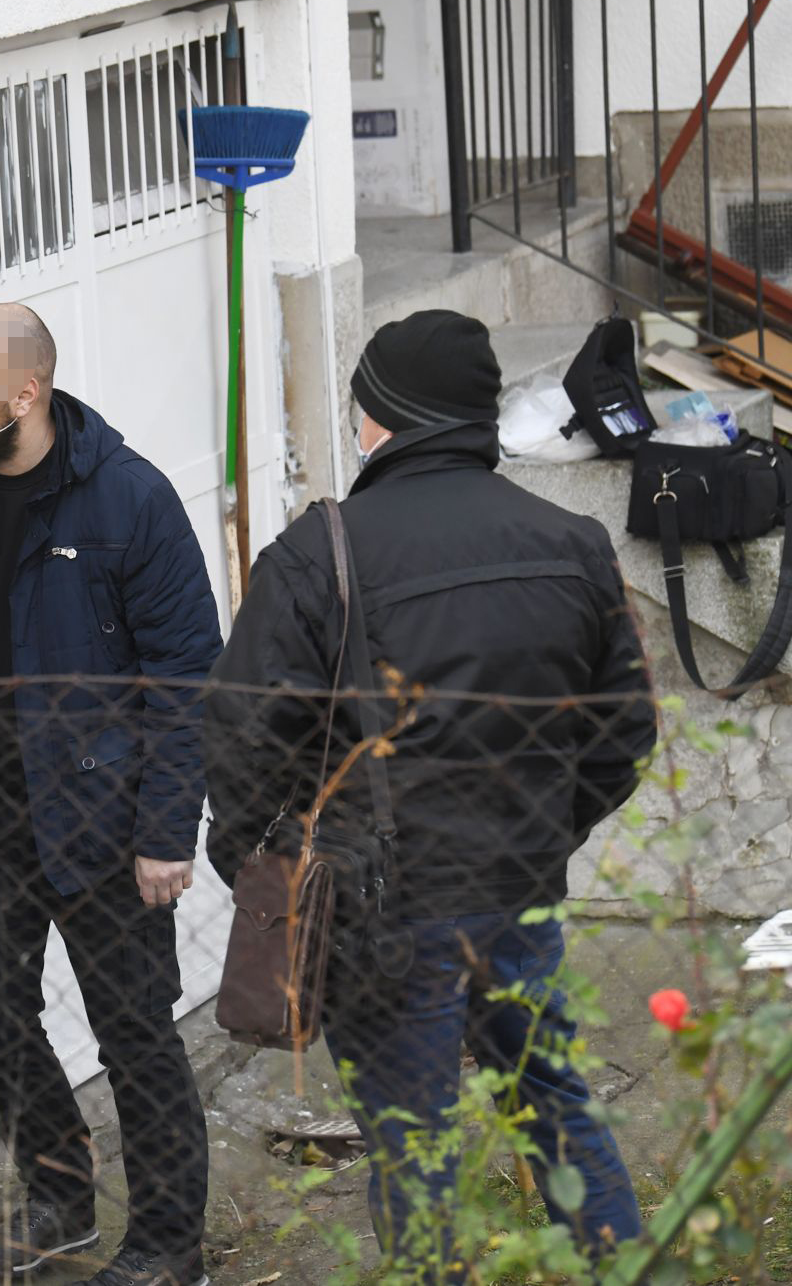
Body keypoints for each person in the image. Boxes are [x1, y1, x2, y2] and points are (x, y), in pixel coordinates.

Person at [205, 309, 658, 1280]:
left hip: (382, 910)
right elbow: (621, 732)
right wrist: (541, 832)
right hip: (517, 893)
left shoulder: (318, 553)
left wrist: (275, 870)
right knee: (555, 1104)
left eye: (362, 404)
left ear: (384, 417)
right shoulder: (570, 540)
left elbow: (242, 741)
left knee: (416, 1152)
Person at [0, 303, 222, 1286]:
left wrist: (163, 829)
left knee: (134, 1032)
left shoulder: (127, 499)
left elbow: (185, 677)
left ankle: (164, 1244)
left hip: (98, 821)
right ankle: (59, 1197)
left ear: (26, 392)